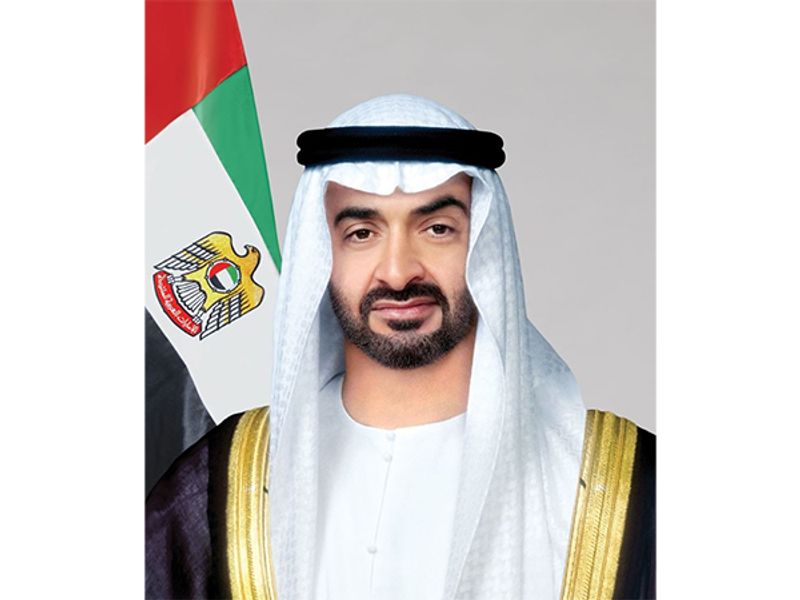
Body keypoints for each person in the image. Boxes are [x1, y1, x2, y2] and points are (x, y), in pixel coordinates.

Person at [146, 94, 655, 600]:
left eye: (438, 229)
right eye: (361, 233)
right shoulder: (221, 485)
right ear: (322, 254)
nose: (397, 272)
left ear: (484, 247)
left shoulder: (625, 486)